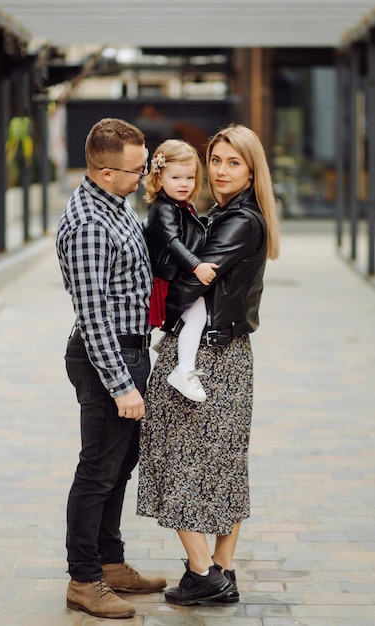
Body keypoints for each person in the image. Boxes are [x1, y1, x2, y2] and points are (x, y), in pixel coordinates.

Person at [137, 124, 280, 606]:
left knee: (172, 450)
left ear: (251, 168)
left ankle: (203, 574)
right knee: (221, 460)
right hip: (227, 351)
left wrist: (152, 302)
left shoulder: (239, 220)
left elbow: (193, 284)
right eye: (215, 161)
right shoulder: (227, 213)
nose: (220, 171)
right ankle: (222, 569)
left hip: (207, 355)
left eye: (232, 163)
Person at [56, 118, 167, 620]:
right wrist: (121, 383)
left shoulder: (116, 203)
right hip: (108, 357)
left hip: (132, 349)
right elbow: (92, 315)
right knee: (98, 470)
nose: (143, 176)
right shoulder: (87, 225)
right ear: (104, 172)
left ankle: (110, 561)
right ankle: (84, 579)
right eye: (136, 169)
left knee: (121, 465)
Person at [143, 139, 218, 402]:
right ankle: (183, 370)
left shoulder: (181, 206)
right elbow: (173, 243)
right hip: (166, 279)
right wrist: (196, 266)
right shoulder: (163, 209)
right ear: (159, 177)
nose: (183, 183)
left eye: (189, 177)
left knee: (194, 314)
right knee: (197, 315)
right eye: (175, 177)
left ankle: (167, 339)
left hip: (174, 275)